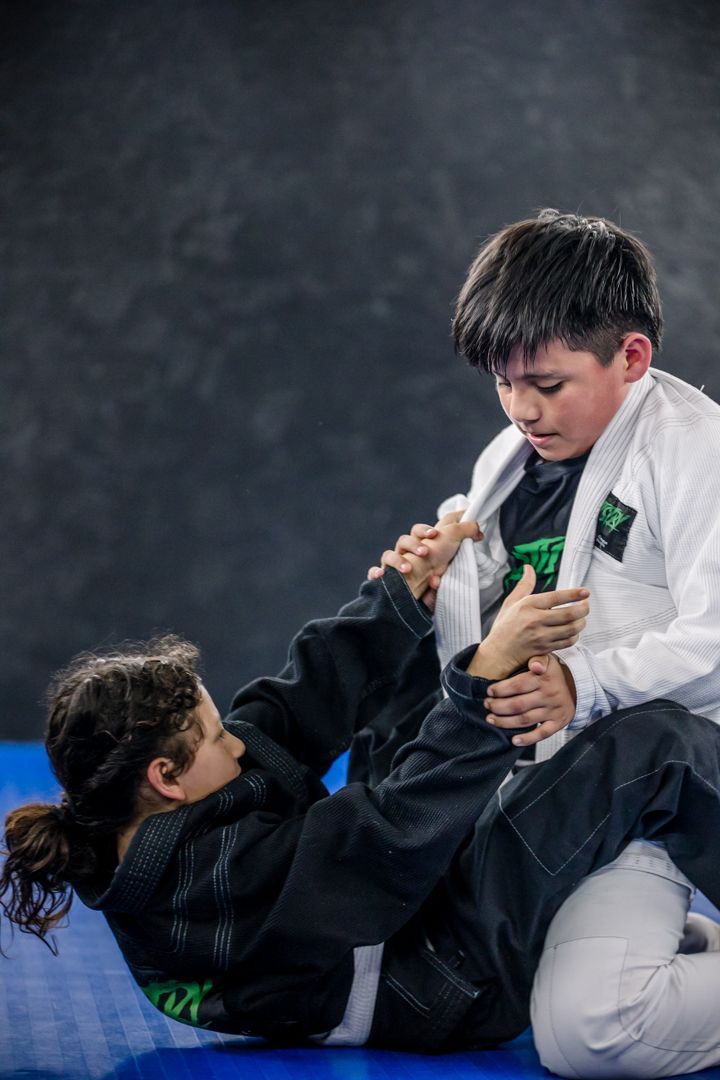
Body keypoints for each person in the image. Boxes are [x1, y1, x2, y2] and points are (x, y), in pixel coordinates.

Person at [4, 523, 720, 1077]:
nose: (238, 745)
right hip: (441, 978)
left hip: (394, 924)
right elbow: (389, 833)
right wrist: (485, 675)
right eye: (215, 735)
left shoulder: (152, 817)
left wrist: (399, 602)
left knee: (410, 672)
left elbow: (289, 710)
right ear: (165, 776)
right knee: (649, 747)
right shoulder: (204, 887)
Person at [370, 209, 720, 1075]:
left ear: (630, 358)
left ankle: (638, 941)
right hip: (544, 803)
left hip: (655, 792)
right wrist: (427, 581)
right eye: (503, 383)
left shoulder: (695, 450)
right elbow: (489, 623)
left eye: (548, 383)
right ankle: (668, 943)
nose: (523, 407)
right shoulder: (510, 459)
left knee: (593, 1032)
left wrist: (585, 682)